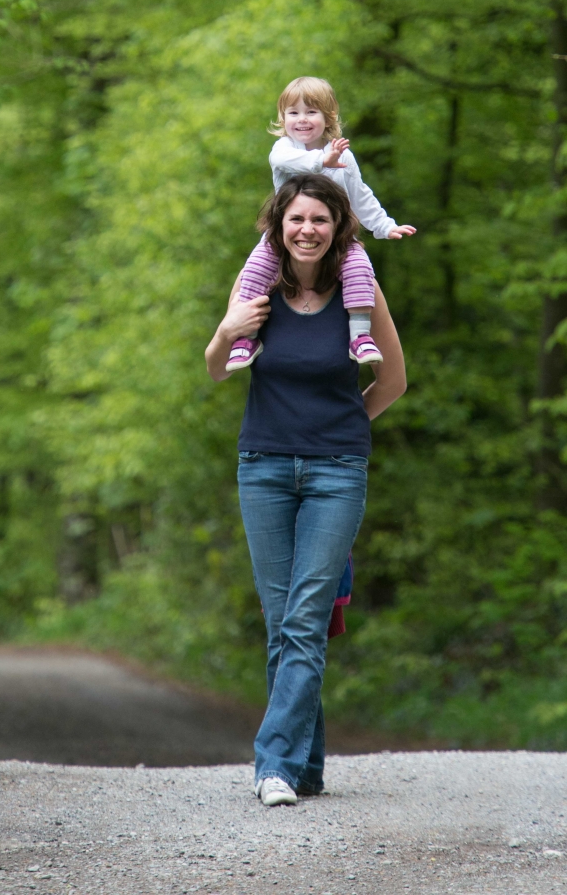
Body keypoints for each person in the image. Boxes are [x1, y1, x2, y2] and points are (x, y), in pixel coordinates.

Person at [205, 172, 407, 807]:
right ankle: (306, 765)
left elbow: (393, 381)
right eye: (296, 219)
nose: (307, 229)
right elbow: (216, 370)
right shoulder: (257, 294)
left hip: (336, 473)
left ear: (338, 226)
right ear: (278, 226)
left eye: (320, 219)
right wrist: (226, 328)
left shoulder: (361, 292)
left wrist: (343, 428)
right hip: (262, 468)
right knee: (283, 623)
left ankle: (273, 765)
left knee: (307, 616)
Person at [226, 76, 415, 372]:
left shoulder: (344, 156)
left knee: (359, 266)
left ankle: (360, 336)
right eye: (293, 113)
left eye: (311, 112)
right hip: (285, 233)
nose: (302, 120)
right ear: (283, 119)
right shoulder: (283, 150)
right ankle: (246, 338)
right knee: (256, 268)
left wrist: (384, 225)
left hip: (334, 234)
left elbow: (359, 194)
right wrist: (323, 161)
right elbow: (298, 165)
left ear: (328, 117)